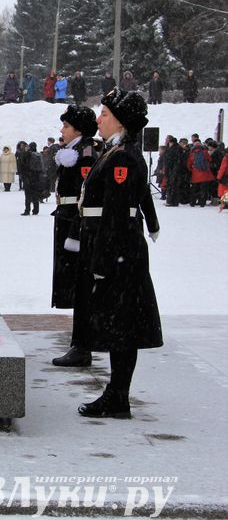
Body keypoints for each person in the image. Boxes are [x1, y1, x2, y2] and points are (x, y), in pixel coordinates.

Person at [72, 88, 161, 419]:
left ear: (121, 121)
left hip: (119, 251)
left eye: (105, 114)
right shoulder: (116, 152)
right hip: (117, 249)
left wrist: (103, 261)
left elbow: (118, 212)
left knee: (122, 324)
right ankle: (116, 393)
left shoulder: (122, 156)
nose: (99, 120)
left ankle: (118, 395)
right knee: (119, 323)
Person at [50, 105, 99, 367]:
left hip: (75, 223)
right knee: (76, 285)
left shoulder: (86, 152)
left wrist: (75, 230)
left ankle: (83, 345)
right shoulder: (76, 150)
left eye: (66, 126)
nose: (62, 130)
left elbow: (85, 195)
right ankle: (81, 342)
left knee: (82, 287)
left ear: (78, 128)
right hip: (68, 218)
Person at [186, 138, 214, 206]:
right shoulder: (205, 152)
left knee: (194, 190)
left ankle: (192, 202)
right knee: (203, 190)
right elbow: (210, 160)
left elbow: (188, 165)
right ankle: (202, 203)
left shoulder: (192, 154)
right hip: (205, 175)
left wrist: (192, 170)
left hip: (195, 175)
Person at [20, 142, 42, 215]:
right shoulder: (39, 155)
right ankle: (36, 210)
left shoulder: (28, 154)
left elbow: (22, 163)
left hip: (28, 177)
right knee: (35, 194)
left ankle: (27, 210)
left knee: (28, 194)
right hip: (36, 177)